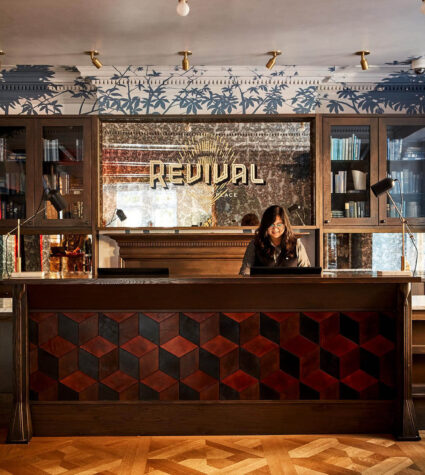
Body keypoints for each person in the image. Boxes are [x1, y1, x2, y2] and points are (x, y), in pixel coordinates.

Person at [239, 205, 310, 275]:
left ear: (285, 225)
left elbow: (307, 273)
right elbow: (245, 272)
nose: (275, 229)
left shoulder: (297, 244)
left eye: (279, 224)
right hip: (263, 286)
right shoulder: (255, 244)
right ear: (265, 225)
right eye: (271, 225)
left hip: (290, 286)